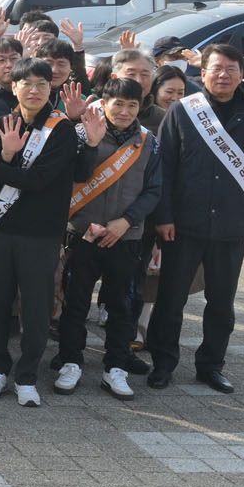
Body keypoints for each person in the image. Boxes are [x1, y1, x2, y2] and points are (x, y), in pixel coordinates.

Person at [150, 45, 244, 394]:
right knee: (171, 300)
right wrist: (164, 216)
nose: (223, 75)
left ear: (241, 74)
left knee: (221, 304)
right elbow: (163, 167)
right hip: (183, 224)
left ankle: (211, 366)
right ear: (202, 74)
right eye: (216, 68)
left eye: (231, 69)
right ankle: (163, 364)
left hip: (230, 226)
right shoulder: (183, 110)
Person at [0, 58, 81, 407]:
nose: (34, 90)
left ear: (51, 88)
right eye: (26, 83)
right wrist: (1, 158)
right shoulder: (1, 122)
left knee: (36, 306)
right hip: (0, 229)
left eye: (41, 84)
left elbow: (38, 180)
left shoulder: (61, 129)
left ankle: (27, 375)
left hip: (41, 232)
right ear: (13, 87)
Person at [55, 78, 162, 401]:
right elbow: (73, 176)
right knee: (75, 302)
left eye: (132, 105)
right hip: (83, 234)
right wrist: (90, 143)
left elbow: (154, 190)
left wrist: (126, 222)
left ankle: (115, 366)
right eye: (118, 104)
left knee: (121, 305)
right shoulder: (81, 133)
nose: (125, 111)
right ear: (103, 104)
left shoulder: (149, 142)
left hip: (125, 237)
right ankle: (70, 361)